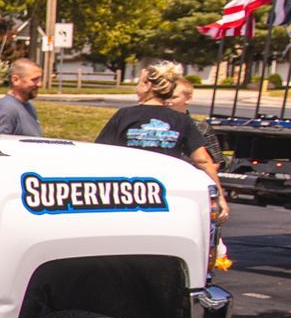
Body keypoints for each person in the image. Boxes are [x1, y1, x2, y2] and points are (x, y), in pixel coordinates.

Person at [96, 61, 229, 221]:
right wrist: (219, 197)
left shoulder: (124, 115)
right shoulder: (182, 120)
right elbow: (203, 160)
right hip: (167, 194)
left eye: (139, 81)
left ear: (148, 85)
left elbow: (100, 154)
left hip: (127, 194)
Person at [170, 79, 225, 168]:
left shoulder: (201, 127)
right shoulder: (154, 124)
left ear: (188, 99)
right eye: (165, 97)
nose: (168, 101)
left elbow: (216, 162)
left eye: (173, 97)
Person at [0, 58, 44, 136]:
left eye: (39, 79)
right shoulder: (6, 109)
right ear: (15, 80)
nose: (40, 84)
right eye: (34, 80)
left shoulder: (29, 106)